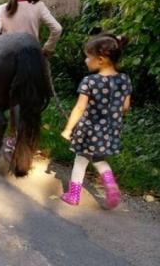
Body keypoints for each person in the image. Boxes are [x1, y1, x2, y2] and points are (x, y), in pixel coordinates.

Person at [0, 0, 63, 152]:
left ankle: (13, 137)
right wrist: (47, 49)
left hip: (9, 61)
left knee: (8, 97)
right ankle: (28, 137)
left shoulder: (1, 10)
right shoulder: (38, 6)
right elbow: (57, 29)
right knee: (34, 97)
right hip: (34, 59)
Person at [60, 34, 131, 209]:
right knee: (99, 158)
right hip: (110, 130)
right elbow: (126, 106)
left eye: (88, 56)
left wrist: (68, 129)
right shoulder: (125, 79)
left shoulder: (89, 81)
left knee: (80, 159)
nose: (85, 60)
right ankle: (110, 184)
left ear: (100, 60)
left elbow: (79, 108)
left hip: (88, 130)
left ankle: (73, 195)